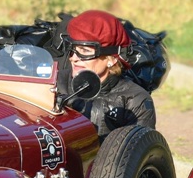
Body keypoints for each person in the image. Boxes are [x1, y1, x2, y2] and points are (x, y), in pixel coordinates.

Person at [58, 9, 155, 137]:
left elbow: (138, 150)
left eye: (85, 51)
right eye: (72, 49)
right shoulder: (56, 82)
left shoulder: (135, 101)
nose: (73, 58)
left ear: (112, 58)